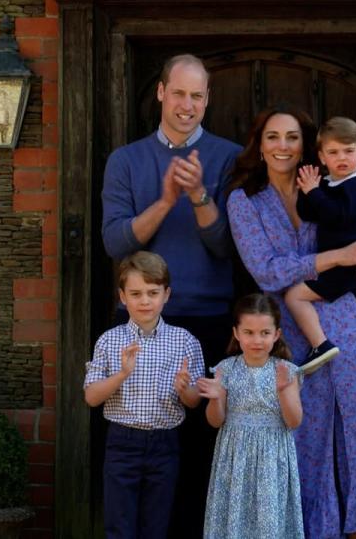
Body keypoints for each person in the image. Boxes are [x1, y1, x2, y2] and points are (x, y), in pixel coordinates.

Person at [225, 105, 356, 539]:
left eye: (291, 137)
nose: (282, 146)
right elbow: (266, 271)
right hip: (291, 334)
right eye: (272, 137)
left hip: (346, 321)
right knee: (305, 442)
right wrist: (340, 256)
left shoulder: (334, 185)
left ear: (308, 147)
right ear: (259, 145)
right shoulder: (244, 200)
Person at [99, 53, 242, 536]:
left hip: (206, 320)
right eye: (178, 93)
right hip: (141, 321)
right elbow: (117, 243)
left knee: (199, 449)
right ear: (160, 92)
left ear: (208, 100)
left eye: (196, 96)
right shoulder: (126, 160)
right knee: (137, 448)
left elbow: (227, 246)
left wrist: (200, 195)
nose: (186, 105)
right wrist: (164, 201)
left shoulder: (230, 157)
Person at [83, 251, 205, 539]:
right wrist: (122, 374)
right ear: (123, 297)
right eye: (136, 293)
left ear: (166, 294)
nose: (145, 301)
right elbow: (91, 397)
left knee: (156, 525)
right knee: (119, 525)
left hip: (165, 443)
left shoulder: (184, 341)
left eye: (153, 292)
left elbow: (194, 401)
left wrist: (184, 388)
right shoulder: (110, 340)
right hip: (122, 443)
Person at [197, 293, 305, 538]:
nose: (257, 340)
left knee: (269, 521)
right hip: (234, 457)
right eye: (249, 332)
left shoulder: (287, 371)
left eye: (265, 333)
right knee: (235, 518)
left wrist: (284, 391)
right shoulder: (225, 369)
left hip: (272, 457)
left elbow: (294, 421)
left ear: (276, 334)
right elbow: (215, 420)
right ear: (236, 332)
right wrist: (215, 397)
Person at [286, 116, 356, 375]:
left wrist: (315, 192)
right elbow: (309, 213)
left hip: (345, 267)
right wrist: (307, 190)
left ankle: (320, 345)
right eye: (333, 152)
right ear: (322, 158)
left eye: (349, 151)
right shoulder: (331, 184)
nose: (342, 158)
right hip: (333, 263)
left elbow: (338, 216)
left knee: (294, 296)